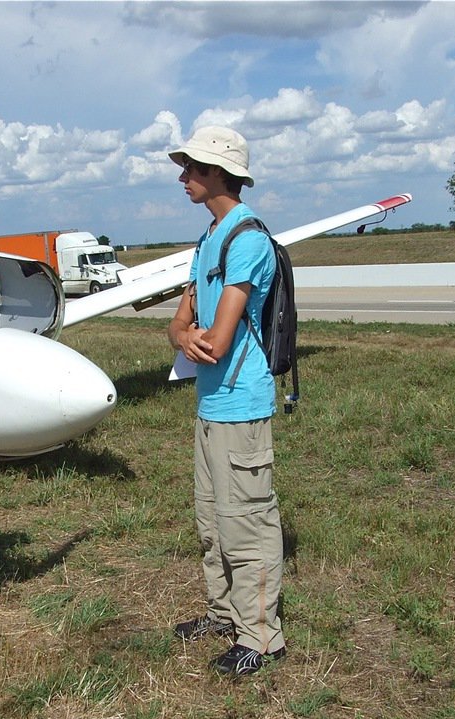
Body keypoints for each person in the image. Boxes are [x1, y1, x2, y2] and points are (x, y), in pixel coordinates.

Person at [165, 126, 287, 676]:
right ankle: (223, 614)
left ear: (217, 173)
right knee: (213, 520)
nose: (183, 177)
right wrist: (181, 334)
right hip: (211, 405)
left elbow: (216, 338)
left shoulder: (248, 240)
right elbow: (182, 322)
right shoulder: (208, 238)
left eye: (191, 168)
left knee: (249, 524)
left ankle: (261, 638)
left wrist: (194, 337)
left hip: (242, 406)